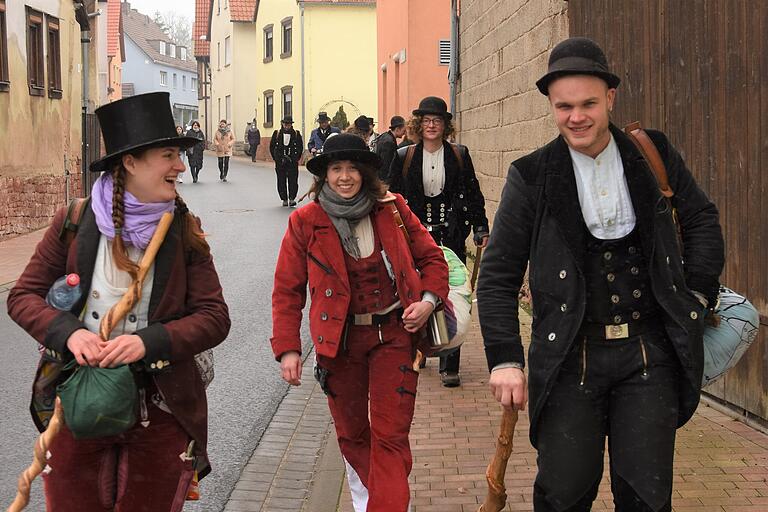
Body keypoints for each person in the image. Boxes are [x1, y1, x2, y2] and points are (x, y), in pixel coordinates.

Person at [477, 37, 724, 512]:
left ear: (610, 97)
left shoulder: (653, 154)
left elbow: (701, 220)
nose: (577, 117)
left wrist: (696, 294)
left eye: (588, 103)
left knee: (647, 497)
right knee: (564, 493)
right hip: (571, 355)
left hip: (649, 355)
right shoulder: (531, 175)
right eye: (564, 106)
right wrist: (505, 358)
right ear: (551, 105)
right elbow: (498, 275)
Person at [7, 91, 231, 511]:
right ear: (130, 162)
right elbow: (22, 296)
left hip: (159, 406)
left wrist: (150, 341)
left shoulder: (184, 227)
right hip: (79, 400)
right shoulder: (74, 220)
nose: (180, 166)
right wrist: (70, 334)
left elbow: (215, 317)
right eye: (168, 155)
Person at [271, 133, 448, 511]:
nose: (345, 176)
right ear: (325, 176)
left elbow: (433, 260)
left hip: (394, 335)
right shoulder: (306, 221)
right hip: (341, 342)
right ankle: (389, 496)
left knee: (390, 436)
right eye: (336, 169)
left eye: (353, 168)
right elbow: (287, 289)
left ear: (365, 172)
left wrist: (429, 301)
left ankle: (386, 504)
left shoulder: (392, 208)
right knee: (352, 435)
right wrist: (288, 349)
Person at [388, 96, 489, 387]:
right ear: (419, 125)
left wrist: (480, 226)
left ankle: (449, 361)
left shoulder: (459, 154)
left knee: (451, 293)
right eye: (427, 121)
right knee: (416, 294)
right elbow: (392, 197)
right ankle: (421, 348)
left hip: (451, 234)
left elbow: (473, 192)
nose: (432, 125)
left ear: (446, 126)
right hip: (415, 238)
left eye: (438, 121)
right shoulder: (404, 156)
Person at [269, 116, 303, 207]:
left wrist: (296, 158)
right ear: (282, 124)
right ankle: (284, 198)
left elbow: (300, 147)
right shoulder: (277, 133)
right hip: (280, 161)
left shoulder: (296, 134)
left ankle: (292, 198)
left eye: (289, 124)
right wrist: (276, 159)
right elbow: (272, 147)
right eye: (286, 124)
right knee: (281, 180)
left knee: (293, 180)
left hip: (292, 161)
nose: (287, 126)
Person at [374, 115, 406, 180]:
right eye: (404, 130)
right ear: (397, 129)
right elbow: (386, 166)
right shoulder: (389, 143)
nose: (404, 133)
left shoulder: (385, 137)